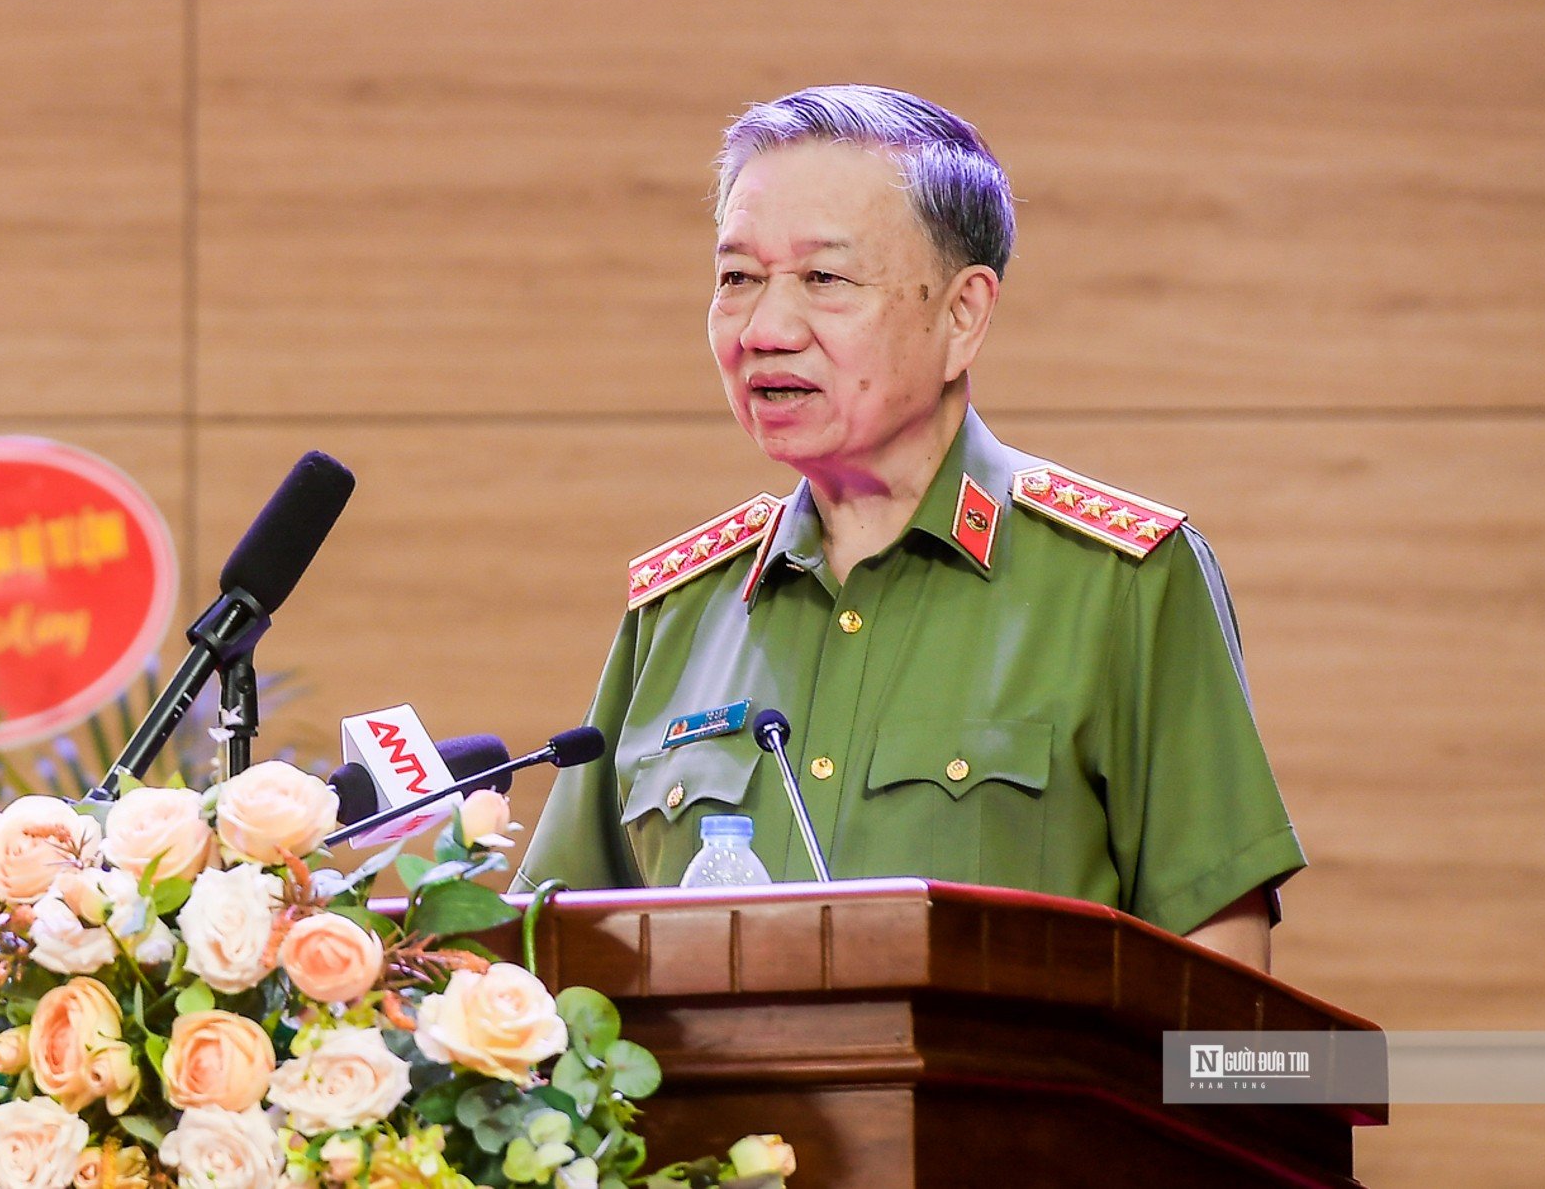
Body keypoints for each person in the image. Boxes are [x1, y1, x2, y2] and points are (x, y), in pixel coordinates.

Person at [513, 85, 1303, 970]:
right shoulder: (679, 610)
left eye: (824, 279)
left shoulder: (1121, 583)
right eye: (737, 278)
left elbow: (1226, 983)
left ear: (962, 314)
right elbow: (548, 962)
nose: (765, 329)